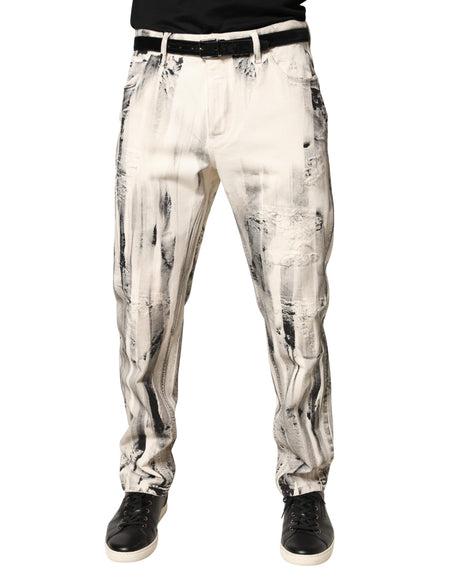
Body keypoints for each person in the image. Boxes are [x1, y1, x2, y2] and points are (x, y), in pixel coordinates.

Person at [105, 0, 336, 566]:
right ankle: (143, 479)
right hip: (162, 69)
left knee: (296, 304)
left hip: (274, 64)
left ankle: (304, 485)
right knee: (144, 300)